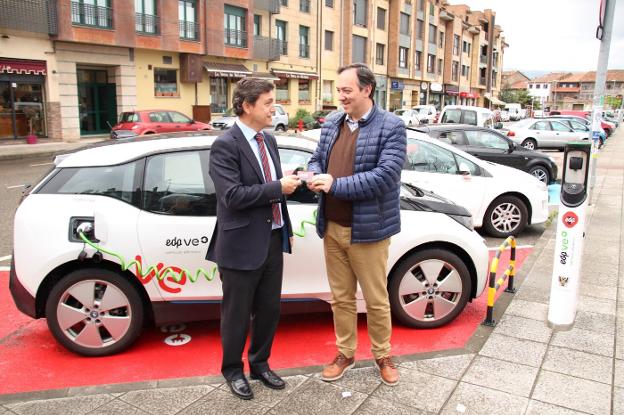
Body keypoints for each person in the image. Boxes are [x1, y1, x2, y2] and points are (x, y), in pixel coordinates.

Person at [307, 63, 407, 386]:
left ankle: (383, 355)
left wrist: (333, 184)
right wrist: (310, 175)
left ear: (367, 90)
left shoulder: (392, 127)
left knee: (376, 299)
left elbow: (384, 177)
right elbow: (317, 159)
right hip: (332, 227)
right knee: (341, 298)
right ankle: (345, 353)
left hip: (369, 231)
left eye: (346, 90)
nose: (341, 97)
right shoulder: (332, 123)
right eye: (338, 90)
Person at [206, 78, 300, 400]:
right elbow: (231, 196)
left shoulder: (268, 140)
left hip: (272, 239)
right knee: (236, 313)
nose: (275, 107)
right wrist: (278, 188)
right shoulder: (225, 144)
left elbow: (268, 182)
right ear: (247, 106)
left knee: (269, 309)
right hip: (240, 245)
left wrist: (289, 181)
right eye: (268, 102)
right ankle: (233, 370)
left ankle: (260, 364)